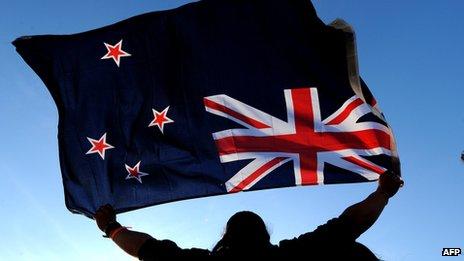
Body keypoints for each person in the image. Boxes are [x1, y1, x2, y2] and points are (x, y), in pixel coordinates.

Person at [95, 170, 403, 260]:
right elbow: (349, 225)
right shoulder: (294, 255)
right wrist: (382, 193)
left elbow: (147, 249)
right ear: (266, 237)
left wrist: (111, 228)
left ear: (225, 238)